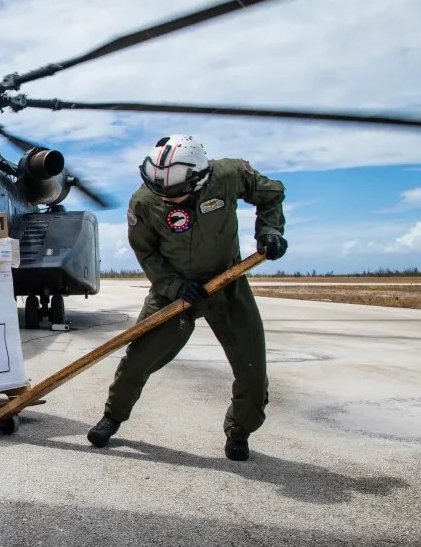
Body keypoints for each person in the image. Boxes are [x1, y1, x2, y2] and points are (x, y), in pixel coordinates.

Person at [86, 134, 287, 461]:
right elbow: (146, 253)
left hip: (228, 283)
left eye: (174, 194)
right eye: (158, 191)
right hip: (174, 292)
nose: (166, 199)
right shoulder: (143, 202)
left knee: (252, 371)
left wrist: (270, 231)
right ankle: (112, 417)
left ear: (200, 180)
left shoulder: (230, 175)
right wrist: (174, 285)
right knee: (137, 360)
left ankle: (239, 431)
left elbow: (271, 193)